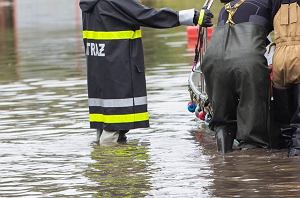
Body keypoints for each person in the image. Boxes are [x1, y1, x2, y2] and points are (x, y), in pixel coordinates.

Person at [79, 0, 214, 145]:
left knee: (105, 126)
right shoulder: (115, 1)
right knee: (113, 130)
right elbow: (148, 16)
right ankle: (115, 165)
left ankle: (105, 162)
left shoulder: (91, 4)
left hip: (100, 79)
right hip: (119, 76)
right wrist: (192, 16)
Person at [201, 0, 274, 153]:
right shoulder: (267, 4)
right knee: (252, 114)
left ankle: (223, 157)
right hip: (247, 62)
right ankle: (252, 159)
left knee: (222, 119)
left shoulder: (225, 9)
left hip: (212, 61)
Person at [271, 0, 300, 157]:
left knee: (284, 122)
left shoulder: (274, 3)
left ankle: (281, 160)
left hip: (279, 59)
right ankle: (295, 159)